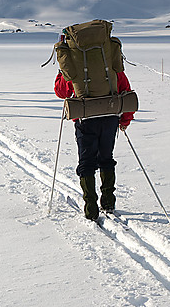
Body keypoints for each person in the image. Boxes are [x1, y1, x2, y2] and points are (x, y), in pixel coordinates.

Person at [54, 66, 133, 220]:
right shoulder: (109, 59)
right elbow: (125, 89)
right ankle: (108, 202)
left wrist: (61, 72)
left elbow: (61, 92)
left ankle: (91, 208)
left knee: (86, 162)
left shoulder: (74, 61)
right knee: (106, 158)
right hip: (110, 115)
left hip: (85, 117)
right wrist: (125, 120)